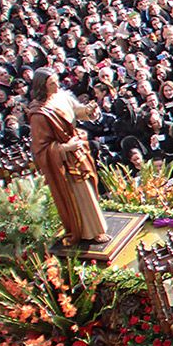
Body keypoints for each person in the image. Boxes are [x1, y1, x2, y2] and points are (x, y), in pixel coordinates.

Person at [27, 68, 109, 246]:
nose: (56, 85)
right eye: (51, 83)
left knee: (89, 187)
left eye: (56, 80)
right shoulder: (39, 113)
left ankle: (97, 226)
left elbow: (76, 110)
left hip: (77, 148)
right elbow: (41, 148)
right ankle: (89, 231)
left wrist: (89, 111)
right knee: (79, 195)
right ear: (42, 86)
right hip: (64, 158)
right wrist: (65, 147)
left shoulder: (62, 95)